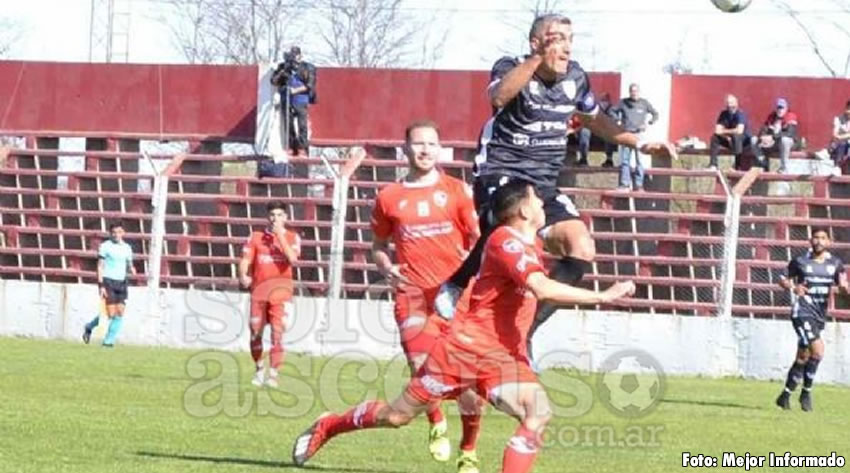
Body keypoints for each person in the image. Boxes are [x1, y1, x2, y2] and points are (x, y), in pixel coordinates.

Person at [292, 181, 636, 472]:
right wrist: (603, 295)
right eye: (536, 198)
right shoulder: (505, 241)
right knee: (396, 417)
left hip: (503, 357)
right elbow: (541, 288)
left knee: (538, 412)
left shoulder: (530, 243)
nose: (543, 203)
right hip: (463, 353)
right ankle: (330, 424)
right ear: (524, 210)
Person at [434, 14, 676, 362]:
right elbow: (499, 97)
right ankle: (457, 284)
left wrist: (637, 142)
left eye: (570, 38)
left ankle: (525, 333)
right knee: (509, 225)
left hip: (544, 182)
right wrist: (536, 60)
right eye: (557, 38)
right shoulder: (510, 67)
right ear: (536, 43)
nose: (566, 47)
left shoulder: (576, 77)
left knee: (582, 247)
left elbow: (595, 119)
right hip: (502, 171)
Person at [370, 119, 484, 471]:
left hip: (455, 298)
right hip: (413, 297)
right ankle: (436, 421)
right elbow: (378, 246)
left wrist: (471, 268)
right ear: (405, 148)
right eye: (419, 143)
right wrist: (386, 267)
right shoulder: (389, 197)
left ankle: (468, 451)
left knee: (468, 385)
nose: (425, 150)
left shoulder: (457, 191)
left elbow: (479, 241)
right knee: (423, 368)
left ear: (440, 149)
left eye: (432, 144)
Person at [775, 228, 848, 412]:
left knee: (803, 356)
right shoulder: (800, 261)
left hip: (819, 314)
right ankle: (806, 394)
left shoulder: (836, 263)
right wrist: (793, 287)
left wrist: (844, 289)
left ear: (829, 242)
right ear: (810, 240)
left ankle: (785, 396)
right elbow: (782, 278)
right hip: (802, 311)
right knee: (818, 350)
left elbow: (842, 285)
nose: (819, 241)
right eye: (816, 237)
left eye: (823, 238)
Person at [239, 202, 301, 388]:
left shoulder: (292, 237)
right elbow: (245, 259)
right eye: (273, 214)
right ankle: (259, 369)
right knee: (255, 333)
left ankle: (274, 375)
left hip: (281, 294)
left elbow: (292, 259)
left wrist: (279, 236)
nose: (276, 218)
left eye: (280, 215)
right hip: (259, 293)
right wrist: (243, 274)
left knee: (277, 333)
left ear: (286, 217)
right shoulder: (256, 237)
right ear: (268, 216)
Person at [82, 222, 137, 347]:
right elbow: (100, 266)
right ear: (110, 233)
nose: (116, 235)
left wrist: (132, 269)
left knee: (120, 313)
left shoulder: (127, 248)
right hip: (108, 281)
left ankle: (108, 342)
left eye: (119, 232)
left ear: (123, 233)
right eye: (114, 232)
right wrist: (101, 285)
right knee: (110, 313)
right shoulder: (105, 246)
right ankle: (89, 326)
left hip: (121, 282)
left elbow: (129, 264)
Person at [271, 46, 317, 156]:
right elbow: (273, 81)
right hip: (286, 98)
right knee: (288, 123)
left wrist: (295, 91)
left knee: (302, 125)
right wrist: (283, 71)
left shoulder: (308, 67)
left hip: (301, 99)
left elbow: (310, 85)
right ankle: (291, 146)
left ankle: (302, 147)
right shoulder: (283, 67)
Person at [614, 83, 659, 190]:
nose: (634, 93)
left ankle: (639, 185)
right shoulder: (623, 102)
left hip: (639, 135)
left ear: (639, 92)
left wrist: (649, 123)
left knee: (640, 160)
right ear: (629, 92)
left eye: (636, 91)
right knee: (625, 160)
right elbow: (612, 111)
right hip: (626, 134)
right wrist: (618, 121)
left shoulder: (644, 103)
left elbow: (655, 114)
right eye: (632, 91)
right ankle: (625, 184)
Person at [754, 98, 799, 174]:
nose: (780, 110)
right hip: (773, 143)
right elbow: (763, 129)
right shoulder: (772, 117)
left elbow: (790, 133)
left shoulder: (791, 116)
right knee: (753, 140)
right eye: (778, 107)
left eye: (782, 108)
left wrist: (772, 137)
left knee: (784, 140)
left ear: (786, 108)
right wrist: (763, 137)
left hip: (789, 144)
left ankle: (784, 168)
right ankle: (763, 163)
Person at [708, 94, 752, 170]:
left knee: (736, 137)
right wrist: (726, 137)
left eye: (732, 103)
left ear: (736, 103)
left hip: (744, 142)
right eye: (728, 103)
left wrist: (724, 131)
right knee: (714, 138)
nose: (730, 105)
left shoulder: (740, 114)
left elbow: (739, 131)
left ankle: (738, 166)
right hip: (729, 140)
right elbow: (717, 131)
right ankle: (713, 165)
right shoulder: (724, 114)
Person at [597, 92, 619, 168]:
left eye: (605, 101)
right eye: (602, 101)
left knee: (609, 135)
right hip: (595, 131)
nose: (603, 103)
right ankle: (583, 159)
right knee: (585, 132)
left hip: (607, 131)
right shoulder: (595, 108)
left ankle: (609, 159)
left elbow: (614, 120)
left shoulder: (612, 109)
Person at [829, 99, 850, 166]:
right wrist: (839, 137)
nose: (849, 111)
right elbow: (835, 134)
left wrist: (841, 137)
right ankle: (837, 164)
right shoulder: (838, 119)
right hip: (840, 144)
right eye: (848, 109)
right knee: (841, 144)